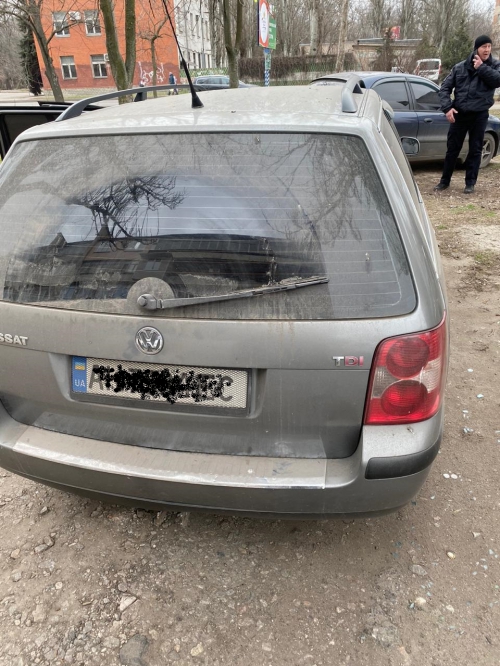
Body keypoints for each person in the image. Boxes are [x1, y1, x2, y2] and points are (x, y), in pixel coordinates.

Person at [434, 35, 500, 195]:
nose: (487, 50)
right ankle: (444, 181)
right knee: (452, 149)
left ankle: (470, 183)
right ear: (477, 48)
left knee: (475, 149)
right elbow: (444, 88)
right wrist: (447, 108)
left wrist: (481, 68)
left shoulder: (494, 65)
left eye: (489, 46)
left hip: (479, 115)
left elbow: (498, 81)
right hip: (460, 113)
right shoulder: (460, 67)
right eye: (484, 46)